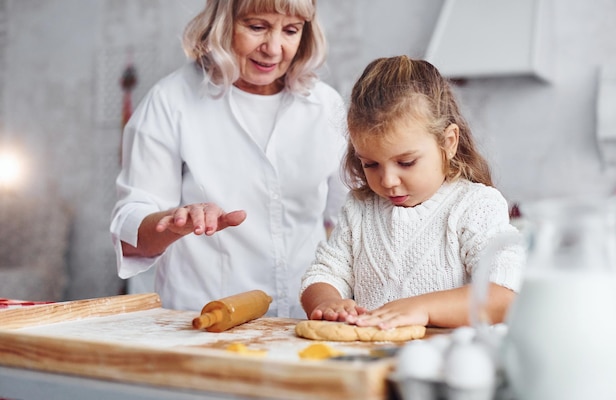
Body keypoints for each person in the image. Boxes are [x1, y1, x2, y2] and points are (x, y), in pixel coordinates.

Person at [110, 0, 347, 318]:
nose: (273, 48)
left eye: (290, 30)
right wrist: (176, 222)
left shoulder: (325, 105)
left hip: (302, 321)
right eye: (257, 27)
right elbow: (130, 236)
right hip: (202, 321)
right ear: (222, 22)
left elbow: (352, 221)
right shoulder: (171, 101)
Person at [300, 56, 524, 329]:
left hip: (447, 364)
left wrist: (422, 309)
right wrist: (326, 302)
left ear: (449, 142)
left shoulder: (476, 206)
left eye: (406, 162)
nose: (388, 180)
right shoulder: (359, 208)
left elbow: (504, 295)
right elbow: (324, 273)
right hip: (371, 363)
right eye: (370, 164)